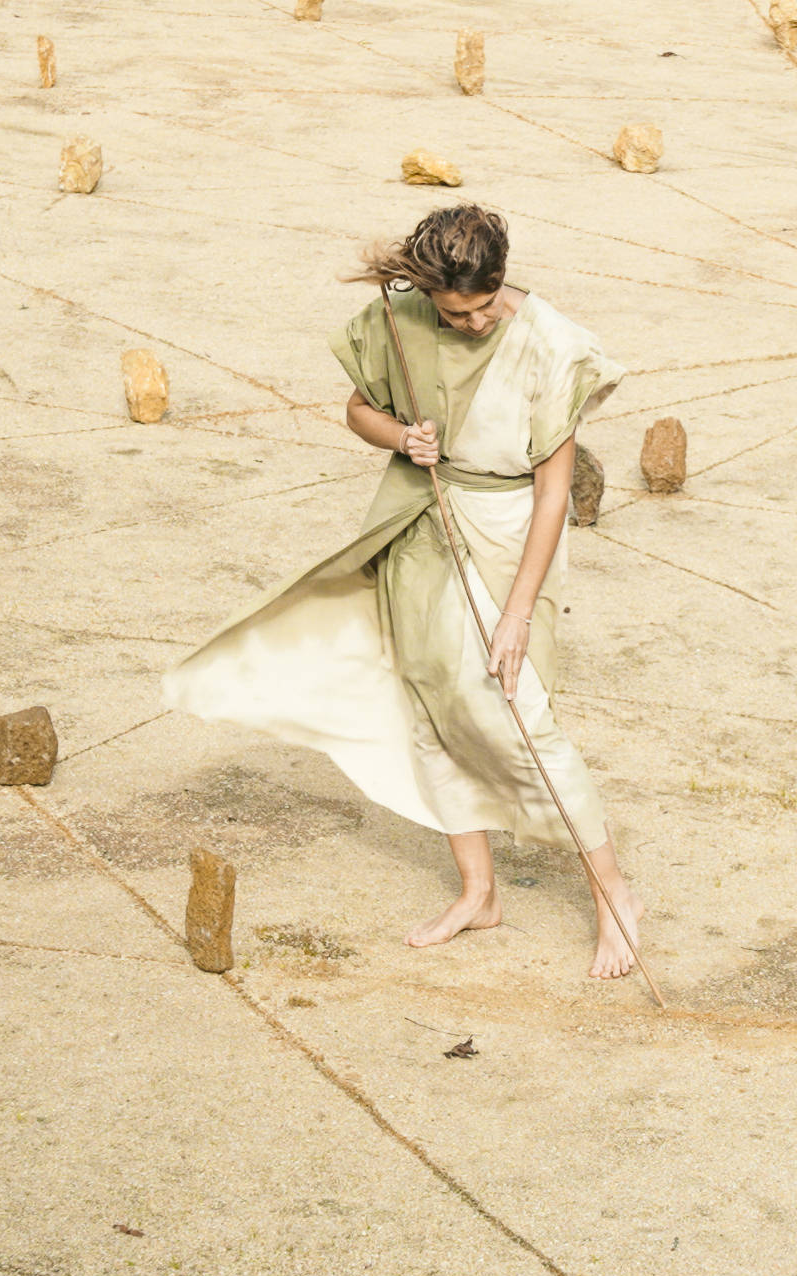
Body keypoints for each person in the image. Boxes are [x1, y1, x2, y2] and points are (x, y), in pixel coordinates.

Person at [163, 204, 645, 979]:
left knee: (517, 710)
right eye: (458, 312)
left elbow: (555, 494)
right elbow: (358, 409)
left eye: (487, 305)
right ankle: (479, 891)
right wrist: (400, 437)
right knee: (429, 699)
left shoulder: (551, 344)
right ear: (428, 293)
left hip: (509, 531)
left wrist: (517, 614)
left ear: (501, 280)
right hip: (422, 519)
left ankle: (615, 894)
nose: (476, 322)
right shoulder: (402, 319)